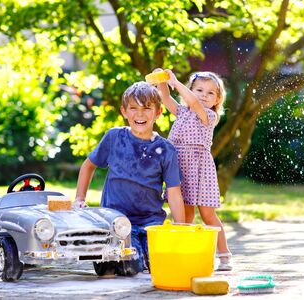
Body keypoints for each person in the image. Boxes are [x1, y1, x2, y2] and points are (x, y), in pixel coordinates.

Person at [74, 81, 185, 274]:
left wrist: (182, 228)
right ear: (124, 111)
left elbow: (174, 193)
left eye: (147, 108)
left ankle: (117, 257)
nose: (140, 114)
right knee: (133, 265)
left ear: (158, 113)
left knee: (161, 263)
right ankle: (108, 258)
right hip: (118, 222)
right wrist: (79, 199)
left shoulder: (166, 150)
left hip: (152, 222)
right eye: (133, 108)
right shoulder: (114, 137)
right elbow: (88, 166)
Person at [155, 69, 233, 271]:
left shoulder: (208, 115)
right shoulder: (182, 112)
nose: (204, 96)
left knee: (207, 215)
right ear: (189, 91)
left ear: (217, 100)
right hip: (179, 166)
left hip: (199, 168)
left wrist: (175, 82)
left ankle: (224, 255)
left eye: (210, 93)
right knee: (183, 216)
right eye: (199, 90)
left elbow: (195, 103)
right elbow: (164, 96)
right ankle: (181, 253)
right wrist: (161, 80)